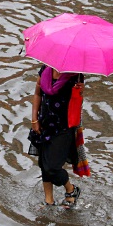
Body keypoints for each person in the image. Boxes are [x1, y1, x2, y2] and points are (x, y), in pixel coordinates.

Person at [28, 65, 84, 208]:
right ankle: (49, 200)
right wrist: (34, 119)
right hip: (44, 124)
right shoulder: (45, 70)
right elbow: (38, 94)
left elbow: (77, 101)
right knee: (43, 163)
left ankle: (71, 189)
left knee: (52, 167)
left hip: (63, 128)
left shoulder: (75, 75)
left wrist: (80, 90)